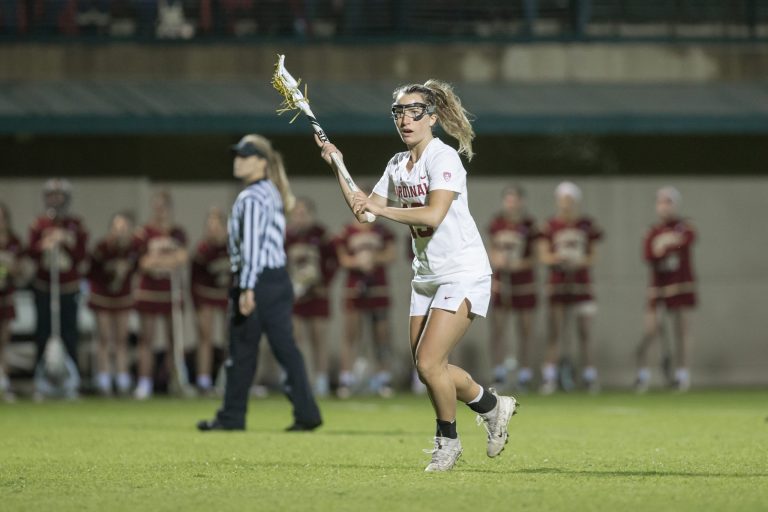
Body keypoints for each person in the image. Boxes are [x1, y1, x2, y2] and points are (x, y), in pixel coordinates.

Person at [317, 80, 517, 472]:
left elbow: (431, 214)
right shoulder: (397, 164)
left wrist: (383, 209)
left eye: (414, 112)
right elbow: (365, 212)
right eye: (399, 112)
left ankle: (448, 443)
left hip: (462, 271)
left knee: (429, 362)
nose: (405, 120)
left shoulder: (443, 159)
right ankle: (493, 406)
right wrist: (338, 167)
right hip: (425, 276)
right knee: (429, 368)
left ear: (433, 118)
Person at [197, 134, 322, 432]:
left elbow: (251, 246)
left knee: (241, 350)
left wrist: (247, 287)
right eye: (238, 155)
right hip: (277, 279)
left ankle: (232, 416)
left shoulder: (252, 196)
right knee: (284, 348)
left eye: (245, 156)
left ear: (261, 163)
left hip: (258, 279)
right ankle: (307, 413)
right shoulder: (271, 191)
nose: (238, 161)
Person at [538, 181, 603, 394]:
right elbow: (544, 255)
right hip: (558, 284)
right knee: (555, 331)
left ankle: (589, 376)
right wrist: (558, 258)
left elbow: (593, 256)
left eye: (570, 199)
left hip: (581, 284)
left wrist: (578, 261)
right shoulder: (550, 226)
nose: (566, 204)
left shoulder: (586, 225)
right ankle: (549, 377)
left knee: (585, 331)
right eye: (563, 199)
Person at [28, 179, 89, 399]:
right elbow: (31, 254)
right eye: (51, 196)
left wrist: (66, 241)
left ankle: (72, 383)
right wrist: (43, 244)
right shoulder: (39, 224)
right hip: (45, 287)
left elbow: (81, 256)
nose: (56, 200)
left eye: (59, 195)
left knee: (70, 335)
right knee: (43, 334)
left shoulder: (75, 224)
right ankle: (41, 383)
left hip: (68, 289)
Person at [635, 187, 697, 393]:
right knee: (650, 330)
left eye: (668, 202)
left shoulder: (684, 226)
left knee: (681, 330)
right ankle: (643, 374)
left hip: (680, 283)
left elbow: (686, 243)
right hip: (658, 285)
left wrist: (666, 248)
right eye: (661, 202)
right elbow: (648, 255)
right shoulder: (652, 231)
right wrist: (664, 250)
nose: (664, 206)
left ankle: (682, 375)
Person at [133, 190, 189, 399]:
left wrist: (160, 260)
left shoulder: (177, 233)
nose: (160, 211)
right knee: (146, 339)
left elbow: (182, 258)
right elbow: (144, 263)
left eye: (164, 206)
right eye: (157, 206)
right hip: (149, 292)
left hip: (171, 293)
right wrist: (165, 260)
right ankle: (144, 383)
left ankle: (173, 381)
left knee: (173, 341)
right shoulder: (144, 233)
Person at [334, 216, 396, 398]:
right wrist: (358, 261)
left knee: (382, 335)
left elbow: (391, 254)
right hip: (355, 288)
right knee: (351, 334)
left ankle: (384, 378)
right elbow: (342, 258)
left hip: (378, 287)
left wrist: (373, 258)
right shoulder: (346, 231)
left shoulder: (383, 230)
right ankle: (346, 378)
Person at [487, 185, 540, 392]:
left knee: (525, 330)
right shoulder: (496, 223)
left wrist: (520, 264)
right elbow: (491, 249)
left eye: (515, 199)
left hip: (524, 283)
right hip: (502, 282)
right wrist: (497, 260)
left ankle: (524, 373)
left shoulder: (530, 225)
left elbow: (536, 256)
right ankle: (498, 372)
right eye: (508, 199)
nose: (512, 204)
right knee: (498, 328)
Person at [285, 197, 337, 397]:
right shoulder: (287, 237)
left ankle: (321, 380)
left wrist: (325, 284)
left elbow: (334, 260)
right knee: (296, 339)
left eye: (303, 213)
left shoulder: (322, 235)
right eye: (296, 213)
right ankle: (299, 379)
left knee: (319, 338)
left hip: (317, 294)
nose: (300, 217)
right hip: (296, 296)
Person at [87, 211, 141, 396]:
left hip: (123, 297)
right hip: (102, 296)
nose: (120, 231)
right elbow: (91, 272)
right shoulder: (102, 248)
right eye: (117, 227)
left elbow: (138, 268)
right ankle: (103, 379)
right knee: (104, 337)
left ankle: (122, 378)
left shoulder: (134, 249)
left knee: (121, 338)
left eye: (124, 228)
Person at [190, 206, 230, 395]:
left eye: (217, 225)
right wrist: (196, 302)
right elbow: (194, 278)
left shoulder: (235, 245)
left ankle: (229, 378)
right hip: (206, 294)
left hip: (227, 294)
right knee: (205, 337)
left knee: (230, 338)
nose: (213, 229)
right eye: (210, 226)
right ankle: (203, 379)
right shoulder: (202, 249)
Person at [0, 202, 23, 402]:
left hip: (5, 296)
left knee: (4, 343)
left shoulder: (14, 241)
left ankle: (3, 382)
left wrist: (10, 264)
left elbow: (21, 271)